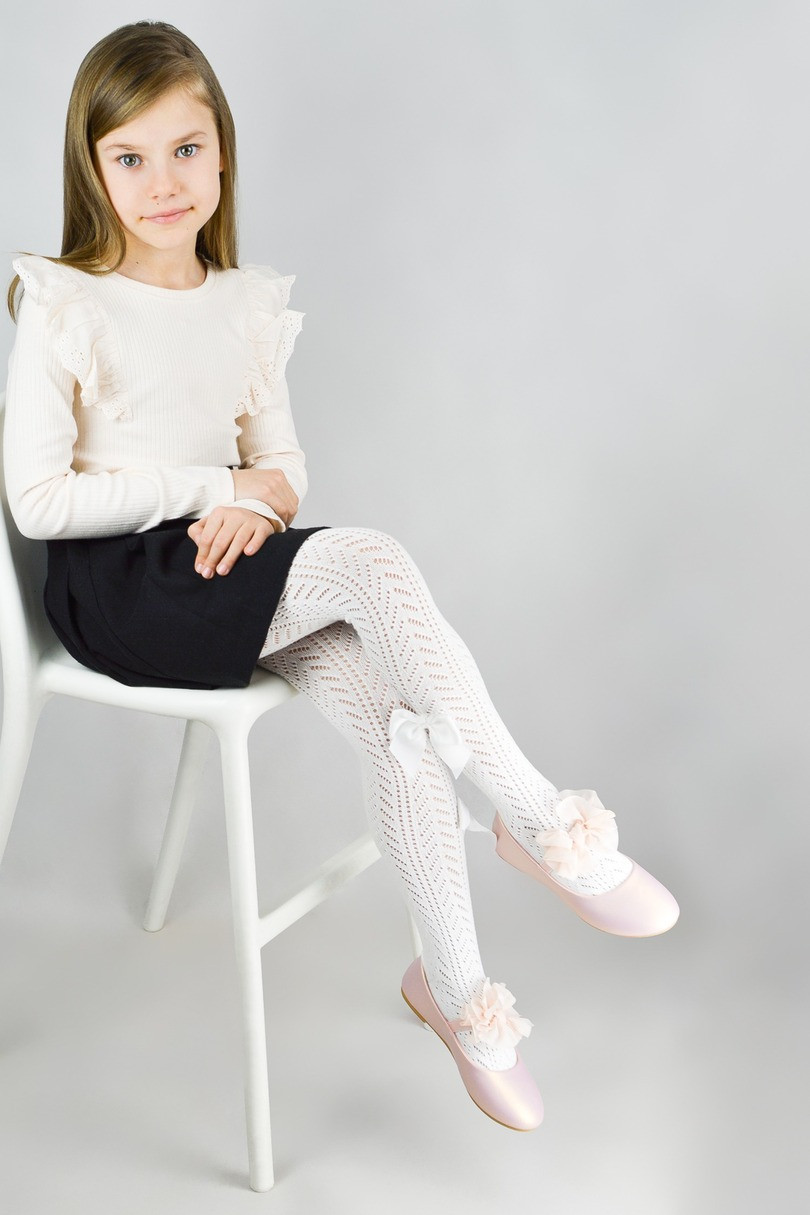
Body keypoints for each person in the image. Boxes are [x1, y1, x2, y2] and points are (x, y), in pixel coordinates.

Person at [2, 20, 678, 1132]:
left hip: (221, 561)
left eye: (187, 149)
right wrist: (208, 488)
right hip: (120, 589)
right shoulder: (64, 300)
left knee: (400, 722)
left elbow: (281, 464)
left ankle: (457, 994)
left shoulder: (243, 302)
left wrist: (257, 500)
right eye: (130, 157)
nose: (163, 182)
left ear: (224, 153)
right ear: (92, 168)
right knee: (371, 561)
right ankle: (540, 819)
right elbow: (37, 502)